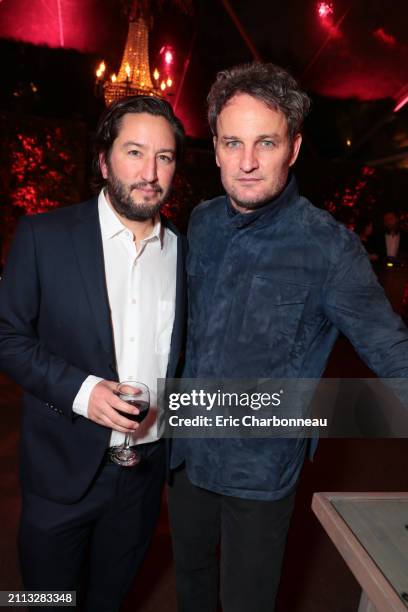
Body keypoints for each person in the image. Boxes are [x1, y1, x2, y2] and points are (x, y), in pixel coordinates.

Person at [167, 62, 408, 612]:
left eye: (266, 142)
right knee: (192, 589)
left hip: (260, 472)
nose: (247, 162)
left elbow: (393, 352)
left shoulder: (330, 248)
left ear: (293, 148)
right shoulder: (199, 223)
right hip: (185, 459)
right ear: (218, 147)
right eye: (233, 142)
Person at [0, 95, 186, 611]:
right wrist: (84, 393)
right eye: (134, 152)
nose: (150, 172)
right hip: (60, 472)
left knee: (110, 601)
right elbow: (7, 336)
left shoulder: (186, 254)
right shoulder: (44, 236)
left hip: (143, 480)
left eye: (165, 157)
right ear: (103, 160)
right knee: (45, 602)